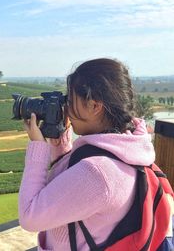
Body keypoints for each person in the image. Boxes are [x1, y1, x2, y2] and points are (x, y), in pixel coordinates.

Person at [19, 58, 158, 250]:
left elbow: (29, 216)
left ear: (94, 106)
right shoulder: (126, 147)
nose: (66, 108)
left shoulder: (98, 172)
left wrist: (38, 148)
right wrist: (60, 144)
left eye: (70, 100)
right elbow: (76, 184)